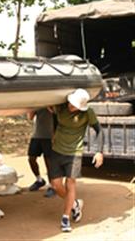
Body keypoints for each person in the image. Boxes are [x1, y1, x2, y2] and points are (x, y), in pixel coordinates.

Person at [49, 89, 104, 232]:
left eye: (74, 106)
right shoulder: (61, 107)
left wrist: (99, 151)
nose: (70, 107)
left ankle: (66, 218)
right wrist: (54, 133)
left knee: (70, 183)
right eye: (71, 104)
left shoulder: (88, 113)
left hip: (74, 152)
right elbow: (54, 116)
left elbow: (99, 130)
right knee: (55, 185)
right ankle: (75, 204)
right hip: (57, 150)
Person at [27, 108, 55, 197]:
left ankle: (52, 186)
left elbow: (57, 114)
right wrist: (33, 107)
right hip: (37, 135)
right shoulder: (37, 104)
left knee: (49, 162)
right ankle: (39, 180)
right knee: (31, 159)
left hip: (50, 136)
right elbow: (30, 117)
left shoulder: (53, 104)